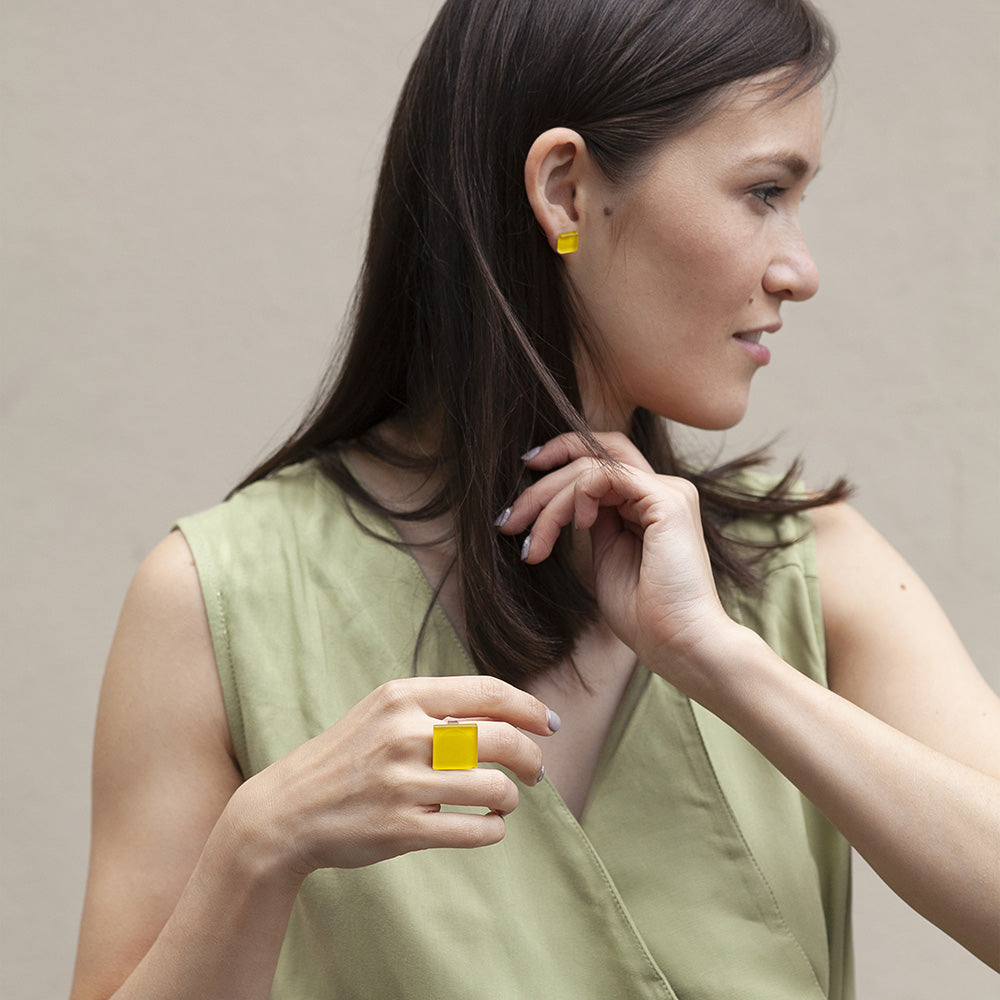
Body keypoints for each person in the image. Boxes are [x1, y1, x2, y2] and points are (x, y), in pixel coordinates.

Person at [69, 1, 1000, 997]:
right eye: (762, 191)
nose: (799, 269)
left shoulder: (808, 564)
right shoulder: (216, 603)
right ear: (565, 191)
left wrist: (722, 662)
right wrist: (257, 846)